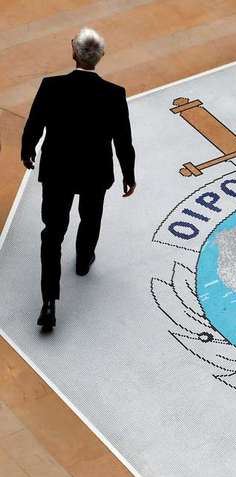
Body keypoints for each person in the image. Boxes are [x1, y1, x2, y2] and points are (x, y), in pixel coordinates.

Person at [20, 27, 136, 332]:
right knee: (90, 218)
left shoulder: (51, 87)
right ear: (101, 56)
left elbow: (34, 124)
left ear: (73, 51)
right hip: (95, 172)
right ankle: (84, 261)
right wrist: (128, 173)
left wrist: (28, 150)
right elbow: (123, 140)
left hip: (58, 171)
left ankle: (49, 302)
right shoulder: (114, 94)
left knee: (52, 233)